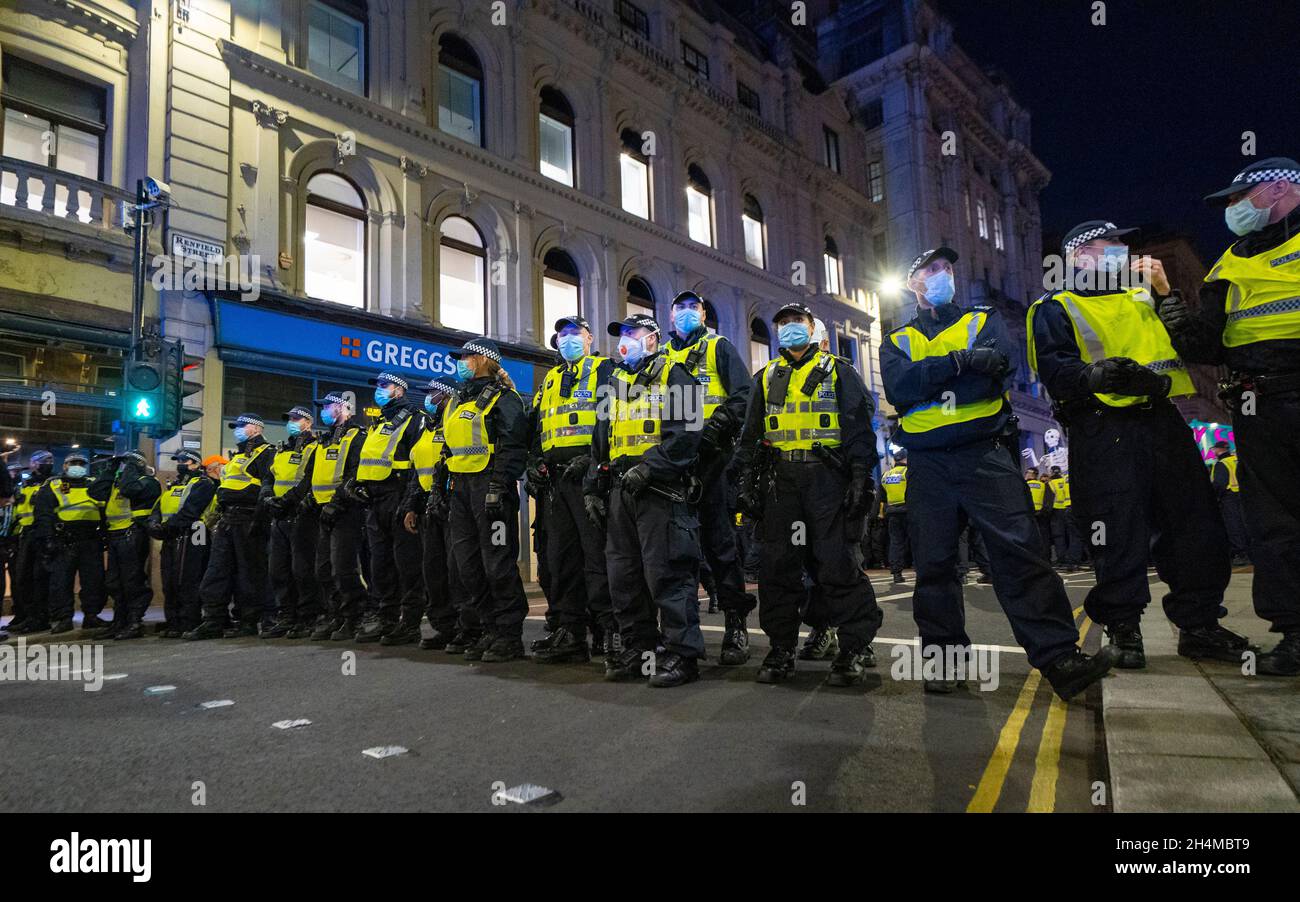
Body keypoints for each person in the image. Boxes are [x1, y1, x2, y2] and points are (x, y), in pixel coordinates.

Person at [881, 246, 1115, 698]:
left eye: (948, 267)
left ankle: (1060, 659)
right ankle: (944, 664)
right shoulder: (897, 339)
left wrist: (936, 377)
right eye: (931, 270)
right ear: (914, 284)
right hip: (927, 464)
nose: (943, 274)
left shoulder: (983, 320)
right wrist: (961, 362)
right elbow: (898, 388)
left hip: (984, 455)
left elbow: (995, 374)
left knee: (1021, 554)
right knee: (935, 566)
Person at [1028, 221, 1251, 670]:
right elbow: (1055, 367)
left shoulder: (1142, 294)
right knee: (1116, 528)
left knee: (1194, 522)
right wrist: (1095, 376)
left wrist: (1168, 293)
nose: (1122, 250)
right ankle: (1123, 627)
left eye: (1122, 243)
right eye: (1110, 244)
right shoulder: (1054, 306)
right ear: (1081, 255)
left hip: (1162, 419)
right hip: (1102, 426)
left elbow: (1192, 344)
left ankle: (1200, 623)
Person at [1158, 156, 1300, 674]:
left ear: (1283, 187)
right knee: (1274, 522)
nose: (1235, 210)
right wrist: (1170, 304)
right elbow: (1204, 345)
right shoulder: (1228, 264)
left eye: (1243, 197)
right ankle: (1294, 635)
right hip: (1257, 402)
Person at [733, 302, 884, 686]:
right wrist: (745, 484)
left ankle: (852, 648)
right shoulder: (765, 377)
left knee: (837, 564)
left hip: (827, 481)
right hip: (780, 484)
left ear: (813, 328)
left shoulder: (839, 371)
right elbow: (750, 437)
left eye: (796, 322)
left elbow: (859, 432)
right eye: (782, 323)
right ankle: (781, 648)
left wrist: (858, 480)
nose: (789, 329)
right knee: (777, 568)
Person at [585, 313, 705, 687]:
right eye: (620, 333)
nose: (624, 339)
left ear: (652, 338)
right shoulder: (614, 382)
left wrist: (652, 468)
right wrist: (593, 485)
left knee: (667, 573)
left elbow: (687, 436)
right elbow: (600, 442)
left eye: (632, 332)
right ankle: (641, 651)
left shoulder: (677, 374)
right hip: (622, 491)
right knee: (624, 576)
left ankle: (682, 655)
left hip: (659, 491)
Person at [663, 290, 755, 665]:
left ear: (703, 313)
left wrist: (719, 425)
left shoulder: (719, 347)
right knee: (676, 550)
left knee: (720, 545)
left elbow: (744, 394)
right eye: (680, 308)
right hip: (673, 463)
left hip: (713, 459)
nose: (686, 313)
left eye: (693, 307)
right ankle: (684, 634)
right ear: (670, 317)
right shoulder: (662, 356)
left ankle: (735, 621)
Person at [528, 315, 617, 666]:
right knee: (560, 559)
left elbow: (614, 419)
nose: (567, 339)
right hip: (557, 482)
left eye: (574, 333)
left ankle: (610, 630)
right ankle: (570, 631)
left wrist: (593, 461)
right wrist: (534, 461)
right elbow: (538, 425)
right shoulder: (550, 379)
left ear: (590, 337)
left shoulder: (605, 369)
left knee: (597, 557)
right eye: (561, 335)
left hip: (590, 478)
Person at [443, 338, 530, 663]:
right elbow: (447, 449)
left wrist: (499, 484)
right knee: (466, 564)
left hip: (490, 487)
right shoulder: (455, 400)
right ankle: (486, 628)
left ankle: (508, 635)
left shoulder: (504, 398)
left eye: (465, 356)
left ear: (481, 359)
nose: (460, 362)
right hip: (462, 490)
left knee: (497, 563)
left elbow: (513, 444)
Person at [401, 377, 483, 651]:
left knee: (456, 568)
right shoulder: (426, 428)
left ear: (448, 396)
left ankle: (468, 626)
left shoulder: (454, 425)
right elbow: (417, 471)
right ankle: (444, 626)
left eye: (435, 393)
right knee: (433, 570)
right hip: (428, 506)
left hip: (451, 503)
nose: (430, 398)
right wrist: (412, 505)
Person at [280, 392, 368, 640]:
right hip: (321, 512)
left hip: (345, 512)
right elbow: (309, 478)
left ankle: (354, 618)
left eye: (329, 405)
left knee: (344, 568)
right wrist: (291, 500)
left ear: (342, 407)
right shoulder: (322, 441)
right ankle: (335, 616)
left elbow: (355, 473)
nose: (324, 410)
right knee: (323, 569)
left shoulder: (356, 437)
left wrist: (336, 503)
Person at [345, 373, 426, 644]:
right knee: (380, 564)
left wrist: (410, 502)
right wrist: (357, 484)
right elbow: (368, 461)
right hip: (375, 501)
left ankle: (411, 622)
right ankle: (386, 618)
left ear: (399, 391)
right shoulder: (378, 424)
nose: (378, 391)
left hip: (398, 495)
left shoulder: (414, 419)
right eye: (378, 386)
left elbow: (419, 462)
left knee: (407, 563)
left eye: (384, 386)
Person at [185, 414, 274, 639]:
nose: (238, 430)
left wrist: (260, 520)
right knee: (217, 571)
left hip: (249, 518)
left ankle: (248, 621)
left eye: (242, 426)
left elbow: (267, 487)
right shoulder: (236, 457)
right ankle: (213, 620)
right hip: (228, 520)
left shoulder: (268, 453)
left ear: (255, 428)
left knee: (249, 573)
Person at [259, 406, 323, 638]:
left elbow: (309, 479)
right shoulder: (281, 449)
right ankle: (286, 615)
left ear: (308, 422)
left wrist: (287, 500)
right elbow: (269, 476)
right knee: (278, 570)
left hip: (301, 515)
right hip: (279, 517)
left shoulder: (315, 447)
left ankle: (308, 617)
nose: (292, 422)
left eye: (297, 418)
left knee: (302, 570)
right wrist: (267, 496)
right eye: (290, 419)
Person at [33, 450, 107, 634]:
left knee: (94, 581)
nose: (78, 467)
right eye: (74, 463)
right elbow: (43, 514)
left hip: (91, 539)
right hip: (64, 540)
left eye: (82, 464)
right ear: (65, 466)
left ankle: (91, 616)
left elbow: (106, 510)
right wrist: (48, 538)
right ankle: (64, 618)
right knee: (61, 582)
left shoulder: (94, 484)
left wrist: (105, 534)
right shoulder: (54, 485)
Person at [88, 450, 160, 639]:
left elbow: (130, 489)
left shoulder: (148, 481)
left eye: (129, 464)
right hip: (115, 536)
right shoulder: (118, 483)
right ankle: (119, 621)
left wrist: (132, 466)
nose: (124, 467)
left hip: (133, 535)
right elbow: (94, 491)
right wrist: (110, 470)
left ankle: (135, 622)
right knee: (114, 582)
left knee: (132, 581)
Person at [150, 452, 220, 636]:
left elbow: (191, 511)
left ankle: (189, 622)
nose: (180, 464)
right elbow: (158, 507)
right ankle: (173, 623)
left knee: (189, 580)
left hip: (194, 535)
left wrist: (166, 528)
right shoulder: (174, 485)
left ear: (196, 464)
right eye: (178, 461)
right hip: (172, 537)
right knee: (170, 581)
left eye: (185, 461)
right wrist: (155, 525)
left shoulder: (203, 484)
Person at [8, 450, 55, 634]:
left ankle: (40, 618)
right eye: (44, 461)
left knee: (40, 579)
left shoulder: (53, 482)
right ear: (33, 463)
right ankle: (27, 616)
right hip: (25, 535)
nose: (48, 463)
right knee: (23, 578)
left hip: (42, 534)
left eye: (50, 460)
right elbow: (18, 512)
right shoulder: (25, 483)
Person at [1208, 440, 1249, 564]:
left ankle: (1240, 554)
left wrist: (1214, 497)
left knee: (1234, 526)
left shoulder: (1222, 463)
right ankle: (1249, 552)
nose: (1213, 451)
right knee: (1245, 524)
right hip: (1242, 496)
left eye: (1214, 449)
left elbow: (1219, 484)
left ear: (1219, 450)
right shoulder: (1236, 460)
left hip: (1229, 497)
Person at [880, 451, 909, 584]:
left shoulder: (886, 475)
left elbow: (882, 497)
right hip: (909, 510)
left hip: (892, 512)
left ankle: (897, 573)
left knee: (896, 543)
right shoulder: (907, 472)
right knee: (917, 542)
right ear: (905, 459)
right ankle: (921, 569)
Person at [1046, 466, 1082, 571]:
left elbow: (1049, 500)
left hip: (1059, 511)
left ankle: (1064, 560)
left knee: (1060, 537)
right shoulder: (1066, 478)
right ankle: (1075, 560)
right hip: (1073, 507)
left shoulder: (1053, 483)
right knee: (1075, 536)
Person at [1024, 466, 1055, 554]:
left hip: (1028, 515)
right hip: (1041, 514)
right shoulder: (1042, 485)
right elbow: (1048, 499)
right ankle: (1046, 558)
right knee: (1044, 537)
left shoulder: (1024, 485)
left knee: (1029, 536)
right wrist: (1045, 512)